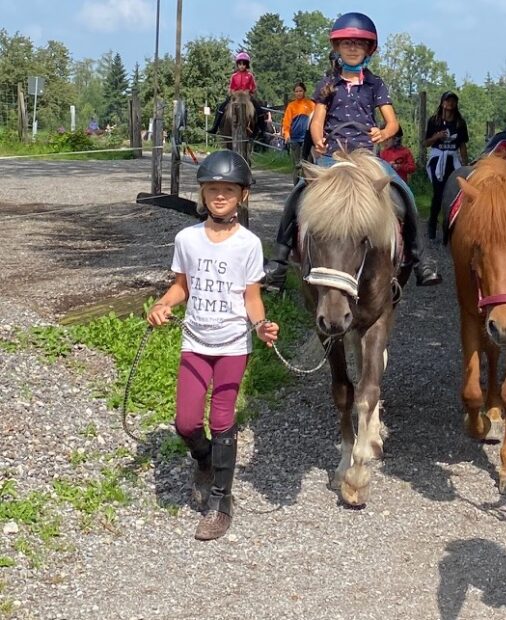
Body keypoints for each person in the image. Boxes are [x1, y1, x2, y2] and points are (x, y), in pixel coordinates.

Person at [146, 150, 279, 542]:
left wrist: (261, 325)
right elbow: (180, 287)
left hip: (233, 344)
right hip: (196, 341)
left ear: (243, 196)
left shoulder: (249, 245)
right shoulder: (186, 239)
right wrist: (162, 304)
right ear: (202, 194)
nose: (219, 196)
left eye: (228, 190)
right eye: (212, 190)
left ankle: (221, 502)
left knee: (222, 420)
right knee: (186, 422)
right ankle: (204, 459)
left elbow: (252, 296)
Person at [263, 12, 440, 289]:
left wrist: (384, 132)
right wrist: (317, 137)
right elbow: (318, 118)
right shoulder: (327, 84)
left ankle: (421, 258)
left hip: (366, 156)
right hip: (331, 154)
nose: (352, 48)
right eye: (346, 43)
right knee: (298, 193)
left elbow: (393, 122)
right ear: (337, 47)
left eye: (359, 44)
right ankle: (280, 260)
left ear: (370, 49)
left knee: (402, 191)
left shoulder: (376, 84)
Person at [424, 91, 469, 243]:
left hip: (452, 159)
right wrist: (436, 137)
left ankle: (448, 225)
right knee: (438, 192)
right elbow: (426, 143)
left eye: (453, 101)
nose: (450, 104)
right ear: (442, 103)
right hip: (438, 158)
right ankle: (432, 222)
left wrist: (465, 163)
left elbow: (462, 144)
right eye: (447, 101)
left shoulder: (459, 123)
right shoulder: (434, 121)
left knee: (454, 191)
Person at [207, 52, 261, 136]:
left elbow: (253, 87)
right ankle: (215, 127)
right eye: (240, 64)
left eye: (244, 64)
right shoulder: (234, 76)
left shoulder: (250, 76)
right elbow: (231, 87)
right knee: (221, 107)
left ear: (247, 65)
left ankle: (260, 129)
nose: (242, 66)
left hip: (247, 97)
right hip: (235, 96)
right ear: (237, 65)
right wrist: (233, 93)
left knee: (258, 108)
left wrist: (249, 91)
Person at [281, 81, 315, 185]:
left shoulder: (311, 104)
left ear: (304, 91)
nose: (298, 93)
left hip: (307, 138)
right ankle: (296, 187)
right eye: (296, 91)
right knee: (297, 164)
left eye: (300, 91)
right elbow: (286, 122)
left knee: (308, 163)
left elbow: (315, 120)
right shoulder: (291, 106)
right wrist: (286, 135)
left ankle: (308, 186)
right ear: (294, 93)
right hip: (295, 138)